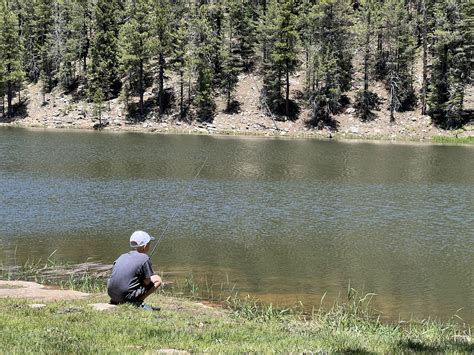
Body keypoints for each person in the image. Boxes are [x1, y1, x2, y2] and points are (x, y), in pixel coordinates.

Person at [107, 230, 162, 310]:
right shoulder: (144, 258)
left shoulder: (122, 256)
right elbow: (147, 282)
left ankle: (121, 299)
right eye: (149, 244)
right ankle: (138, 301)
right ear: (145, 246)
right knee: (157, 279)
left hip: (112, 295)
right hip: (124, 297)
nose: (150, 246)